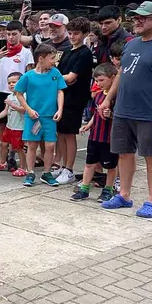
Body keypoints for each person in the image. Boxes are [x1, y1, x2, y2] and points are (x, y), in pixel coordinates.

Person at [98, 1, 152, 218]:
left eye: (143, 16)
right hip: (124, 110)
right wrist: (108, 99)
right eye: (135, 17)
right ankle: (124, 195)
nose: (137, 20)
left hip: (149, 112)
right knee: (124, 153)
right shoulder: (131, 44)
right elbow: (122, 74)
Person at [13, 44, 67, 187]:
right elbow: (18, 93)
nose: (54, 62)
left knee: (50, 145)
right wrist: (28, 109)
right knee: (32, 144)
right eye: (51, 58)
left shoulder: (55, 73)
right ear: (41, 58)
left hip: (49, 117)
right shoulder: (28, 76)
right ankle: (30, 172)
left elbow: (60, 91)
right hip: (34, 118)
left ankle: (47, 172)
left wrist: (60, 109)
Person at [54, 17, 95, 184]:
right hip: (63, 96)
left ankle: (69, 168)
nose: (72, 36)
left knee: (70, 134)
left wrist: (57, 78)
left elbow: (70, 77)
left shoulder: (84, 53)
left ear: (84, 34)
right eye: (70, 33)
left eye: (76, 33)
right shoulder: (67, 52)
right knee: (61, 133)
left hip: (75, 99)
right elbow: (60, 75)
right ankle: (63, 166)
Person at [71, 63, 118, 203]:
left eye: (101, 80)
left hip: (108, 137)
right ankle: (84, 189)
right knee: (89, 163)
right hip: (95, 136)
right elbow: (95, 114)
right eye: (96, 81)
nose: (98, 83)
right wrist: (88, 125)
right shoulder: (97, 96)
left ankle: (108, 190)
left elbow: (119, 117)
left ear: (112, 78)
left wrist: (110, 115)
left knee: (110, 166)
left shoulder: (116, 97)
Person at [0, 21, 35, 167]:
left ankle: (14, 156)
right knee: (3, 125)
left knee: (18, 126)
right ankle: (3, 157)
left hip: (18, 95)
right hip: (0, 91)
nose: (11, 37)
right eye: (8, 34)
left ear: (20, 34)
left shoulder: (26, 52)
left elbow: (29, 74)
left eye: (14, 34)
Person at [0, 73, 27, 176]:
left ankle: (22, 167)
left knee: (19, 147)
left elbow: (24, 110)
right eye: (9, 83)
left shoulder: (24, 96)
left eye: (14, 82)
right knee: (3, 144)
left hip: (19, 127)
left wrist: (12, 105)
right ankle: (2, 162)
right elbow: (6, 110)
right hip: (9, 126)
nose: (11, 84)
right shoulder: (9, 96)